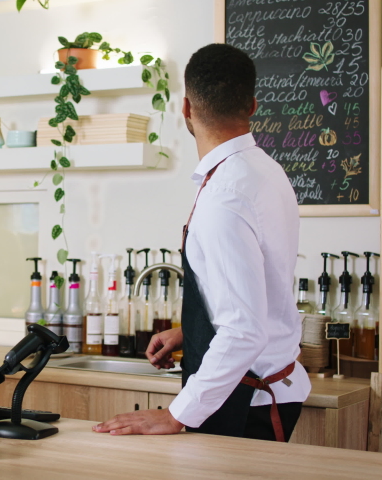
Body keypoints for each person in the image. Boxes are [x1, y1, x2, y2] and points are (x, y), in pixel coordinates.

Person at [93, 44, 311, 441]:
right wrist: (186, 332)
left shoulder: (225, 195)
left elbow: (244, 330)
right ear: (253, 105)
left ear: (187, 109)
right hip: (262, 386)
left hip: (246, 399)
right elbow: (253, 292)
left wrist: (177, 414)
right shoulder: (265, 172)